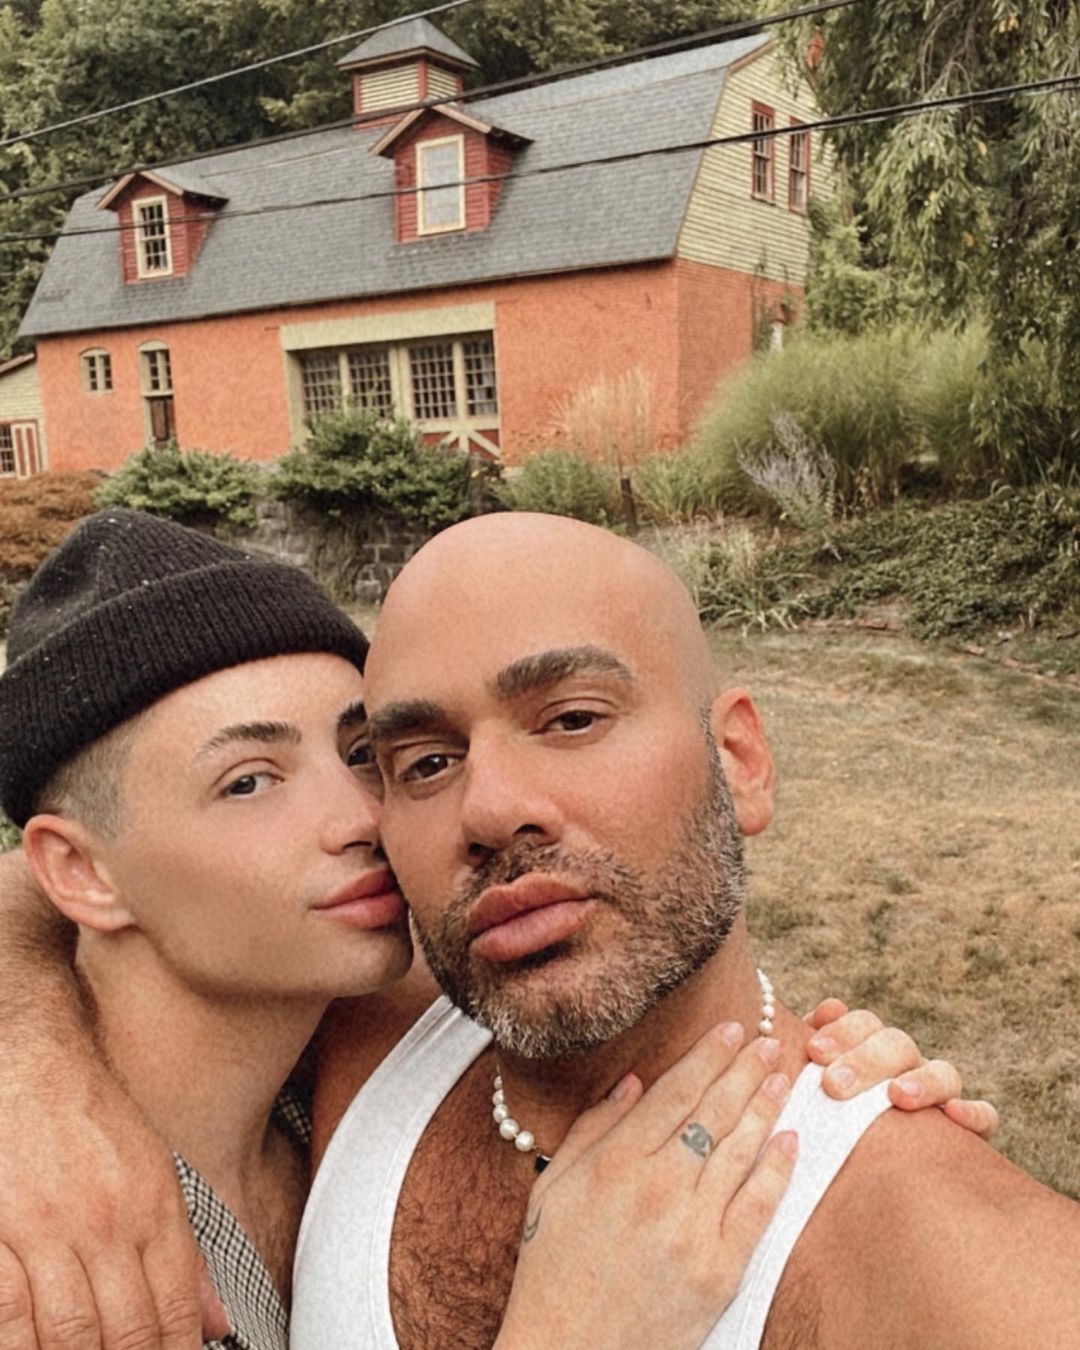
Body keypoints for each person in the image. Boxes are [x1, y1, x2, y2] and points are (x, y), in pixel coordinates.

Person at [0, 509, 977, 1350]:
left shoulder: (330, 1071)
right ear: (80, 873)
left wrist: (815, 1067)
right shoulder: (40, 1264)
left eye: (371, 758)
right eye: (249, 781)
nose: (363, 818)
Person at [284, 511, 1080, 1349]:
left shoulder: (969, 1279)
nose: (488, 810)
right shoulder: (358, 1027)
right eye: (427, 764)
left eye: (572, 720)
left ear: (738, 762)